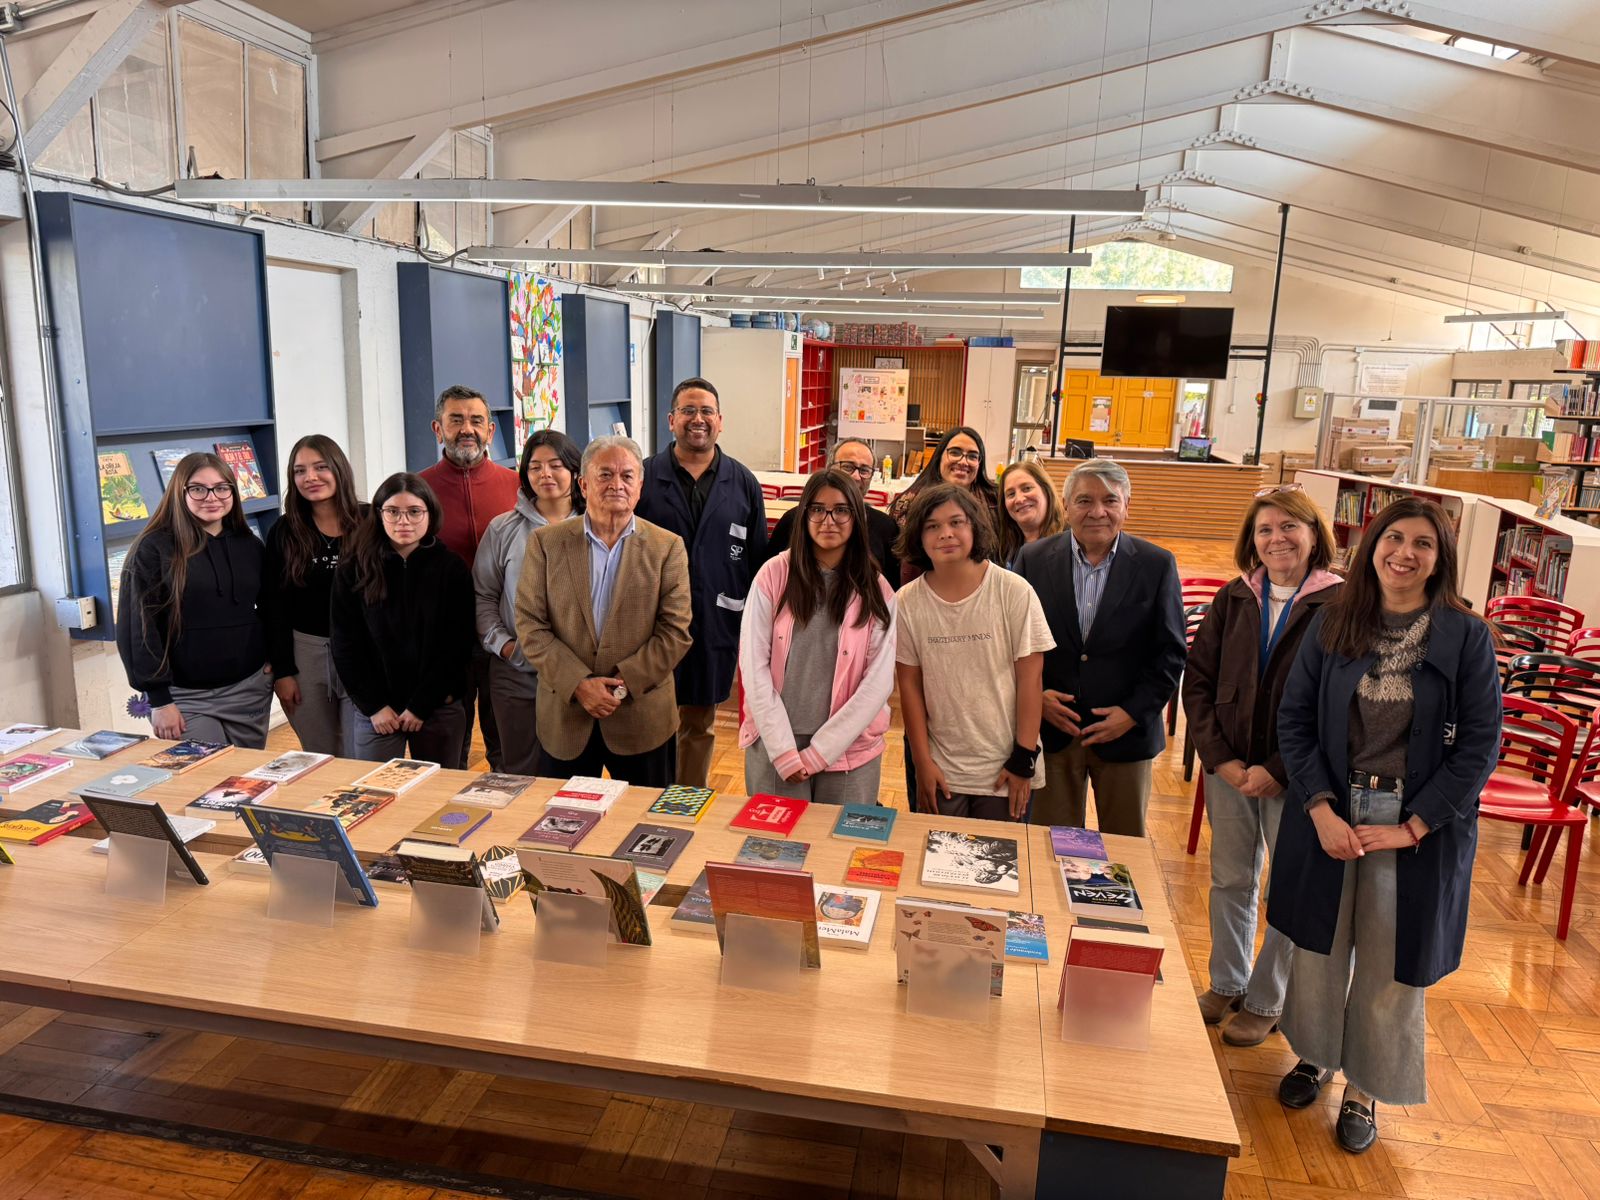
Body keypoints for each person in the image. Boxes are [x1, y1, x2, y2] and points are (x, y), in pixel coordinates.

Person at [1268, 498, 1499, 1155]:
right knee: (1317, 948)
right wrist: (1318, 808)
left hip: (1415, 830)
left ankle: (1365, 1089)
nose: (1405, 552)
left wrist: (1416, 825)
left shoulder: (1465, 635)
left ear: (1439, 558)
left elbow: (1480, 745)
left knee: (1390, 967)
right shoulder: (1335, 621)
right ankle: (1313, 1056)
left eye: (1422, 543)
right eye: (1393, 537)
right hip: (1331, 817)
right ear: (1371, 546)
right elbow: (1295, 721)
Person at [1181, 485, 1344, 1047]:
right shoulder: (1234, 598)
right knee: (1230, 877)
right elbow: (1198, 681)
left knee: (1286, 889)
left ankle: (1266, 997)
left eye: (1289, 527)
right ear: (1252, 540)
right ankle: (1225, 981)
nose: (1277, 539)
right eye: (1265, 529)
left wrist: (1277, 767)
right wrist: (1221, 760)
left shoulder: (1339, 604)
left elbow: (1336, 704)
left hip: (1297, 775)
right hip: (1228, 769)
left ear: (1313, 534)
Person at [1015, 458, 1185, 837]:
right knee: (1050, 845)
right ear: (1065, 506)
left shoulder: (1157, 565)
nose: (1097, 512)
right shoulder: (1033, 559)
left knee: (1125, 849)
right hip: (1054, 731)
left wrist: (1132, 712)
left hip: (1126, 734)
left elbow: (1171, 653)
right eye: (1084, 500)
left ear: (1127, 506)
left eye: (1110, 500)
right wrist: (1036, 696)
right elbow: (1012, 642)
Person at [516, 435, 692, 787]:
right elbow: (530, 625)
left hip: (641, 717)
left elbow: (675, 632)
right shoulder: (546, 544)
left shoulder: (667, 548)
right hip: (566, 717)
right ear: (583, 483)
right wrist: (579, 684)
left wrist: (620, 687)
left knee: (643, 828)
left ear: (640, 486)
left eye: (627, 476)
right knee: (561, 825)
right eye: (605, 475)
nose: (617, 485)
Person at [637, 377, 767, 786]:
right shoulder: (643, 477)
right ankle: (648, 800)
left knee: (700, 723)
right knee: (650, 721)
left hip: (715, 624)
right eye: (688, 411)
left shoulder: (742, 482)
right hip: (651, 624)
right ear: (671, 420)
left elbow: (758, 561)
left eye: (706, 411)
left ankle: (685, 803)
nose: (698, 419)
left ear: (720, 421)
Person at [894, 484, 1052, 821]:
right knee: (939, 865)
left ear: (975, 527)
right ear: (918, 537)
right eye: (932, 526)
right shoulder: (907, 602)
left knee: (1000, 867)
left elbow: (1031, 678)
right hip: (942, 766)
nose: (946, 534)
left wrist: (1024, 757)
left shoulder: (1013, 591)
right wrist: (922, 762)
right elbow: (909, 686)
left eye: (956, 522)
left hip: (1005, 766)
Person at [739, 468, 897, 804]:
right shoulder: (773, 575)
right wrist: (783, 750)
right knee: (775, 850)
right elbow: (753, 667)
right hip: (777, 740)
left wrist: (820, 753)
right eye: (817, 509)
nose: (829, 520)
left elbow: (879, 681)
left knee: (837, 850)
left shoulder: (876, 588)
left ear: (857, 517)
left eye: (841, 510)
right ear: (804, 514)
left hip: (851, 747)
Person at [115, 452, 272, 748]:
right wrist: (159, 701)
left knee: (244, 785)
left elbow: (270, 608)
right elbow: (139, 629)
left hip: (249, 689)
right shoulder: (153, 549)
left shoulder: (249, 545)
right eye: (198, 488)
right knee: (205, 784)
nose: (211, 497)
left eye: (222, 487)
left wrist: (273, 657)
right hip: (185, 697)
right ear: (179, 491)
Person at [330, 474, 475, 767]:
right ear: (379, 514)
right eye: (393, 512)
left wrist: (422, 705)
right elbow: (346, 644)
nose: (403, 521)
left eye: (414, 512)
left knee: (439, 799)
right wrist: (374, 706)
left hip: (437, 707)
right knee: (373, 796)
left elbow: (457, 645)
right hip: (378, 712)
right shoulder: (354, 568)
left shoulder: (451, 568)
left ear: (430, 513)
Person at [418, 384, 520, 771]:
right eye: (456, 419)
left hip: (504, 639)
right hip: (444, 641)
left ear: (490, 430)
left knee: (506, 745)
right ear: (437, 428)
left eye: (476, 421)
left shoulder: (517, 486)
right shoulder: (417, 489)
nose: (467, 429)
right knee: (447, 750)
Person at [473, 430, 583, 775]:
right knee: (516, 769)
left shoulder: (594, 527)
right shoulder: (502, 528)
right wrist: (505, 647)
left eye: (555, 465)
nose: (545, 474)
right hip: (516, 673)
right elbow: (484, 594)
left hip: (578, 675)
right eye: (535, 467)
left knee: (571, 773)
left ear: (575, 472)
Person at [262, 435, 365, 757]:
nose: (311, 477)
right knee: (320, 755)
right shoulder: (284, 531)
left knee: (363, 753)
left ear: (339, 470)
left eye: (320, 467)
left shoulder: (371, 520)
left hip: (364, 652)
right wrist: (283, 671)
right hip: (305, 654)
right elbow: (272, 605)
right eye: (300, 470)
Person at [764, 439, 902, 587]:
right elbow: (771, 578)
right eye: (848, 467)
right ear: (829, 468)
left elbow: (891, 588)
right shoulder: (793, 520)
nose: (856, 476)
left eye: (864, 470)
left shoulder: (886, 527)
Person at [886, 425, 1002, 584]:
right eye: (955, 452)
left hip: (987, 588)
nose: (963, 461)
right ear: (939, 456)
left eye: (973, 456)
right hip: (925, 590)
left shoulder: (995, 502)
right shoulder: (911, 501)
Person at [998, 459, 1064, 569]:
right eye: (1011, 494)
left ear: (1046, 490)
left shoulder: (1070, 544)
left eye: (1027, 488)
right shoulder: (1005, 549)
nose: (1019, 499)